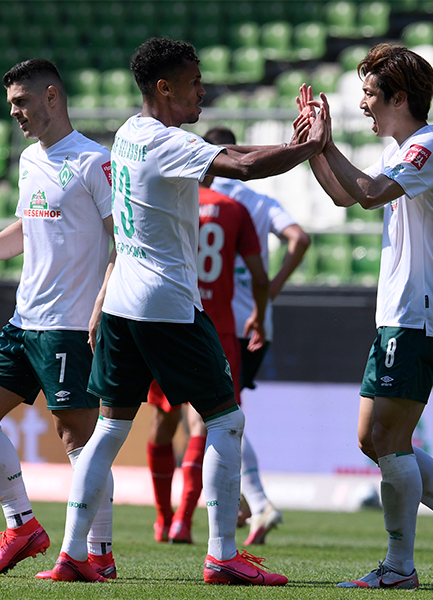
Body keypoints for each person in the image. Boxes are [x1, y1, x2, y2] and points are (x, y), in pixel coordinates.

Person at [49, 37, 326, 585]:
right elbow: (242, 167)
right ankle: (223, 555)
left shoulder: (130, 132)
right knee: (227, 419)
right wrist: (311, 146)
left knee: (108, 429)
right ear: (164, 87)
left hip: (124, 302)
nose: (203, 90)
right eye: (195, 82)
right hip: (167, 303)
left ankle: (74, 553)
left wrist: (291, 144)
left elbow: (227, 157)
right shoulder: (166, 143)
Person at [299, 44, 433, 590]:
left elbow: (365, 193)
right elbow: (346, 195)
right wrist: (314, 149)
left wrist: (327, 144)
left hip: (420, 315)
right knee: (376, 439)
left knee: (385, 438)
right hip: (404, 315)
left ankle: (399, 566)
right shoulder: (407, 150)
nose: (363, 104)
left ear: (400, 97)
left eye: (369, 94)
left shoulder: (429, 148)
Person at [0, 59, 117, 579]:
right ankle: (23, 528)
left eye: (21, 101)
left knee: (79, 440)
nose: (14, 111)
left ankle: (98, 551)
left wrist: (103, 299)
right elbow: (25, 228)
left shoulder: (92, 161)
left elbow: (121, 237)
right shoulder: (29, 160)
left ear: (51, 97)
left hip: (69, 324)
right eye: (11, 103)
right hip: (23, 320)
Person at [147, 130, 269, 546]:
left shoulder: (167, 203)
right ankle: (184, 518)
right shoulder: (234, 210)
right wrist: (259, 314)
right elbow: (259, 276)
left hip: (166, 323)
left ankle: (163, 519)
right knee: (207, 424)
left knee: (162, 422)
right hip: (215, 330)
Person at [207, 125, 312, 545]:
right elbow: (299, 239)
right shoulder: (260, 200)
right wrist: (267, 294)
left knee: (218, 418)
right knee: (225, 416)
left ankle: (256, 500)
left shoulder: (208, 200)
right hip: (255, 322)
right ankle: (246, 502)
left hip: (218, 323)